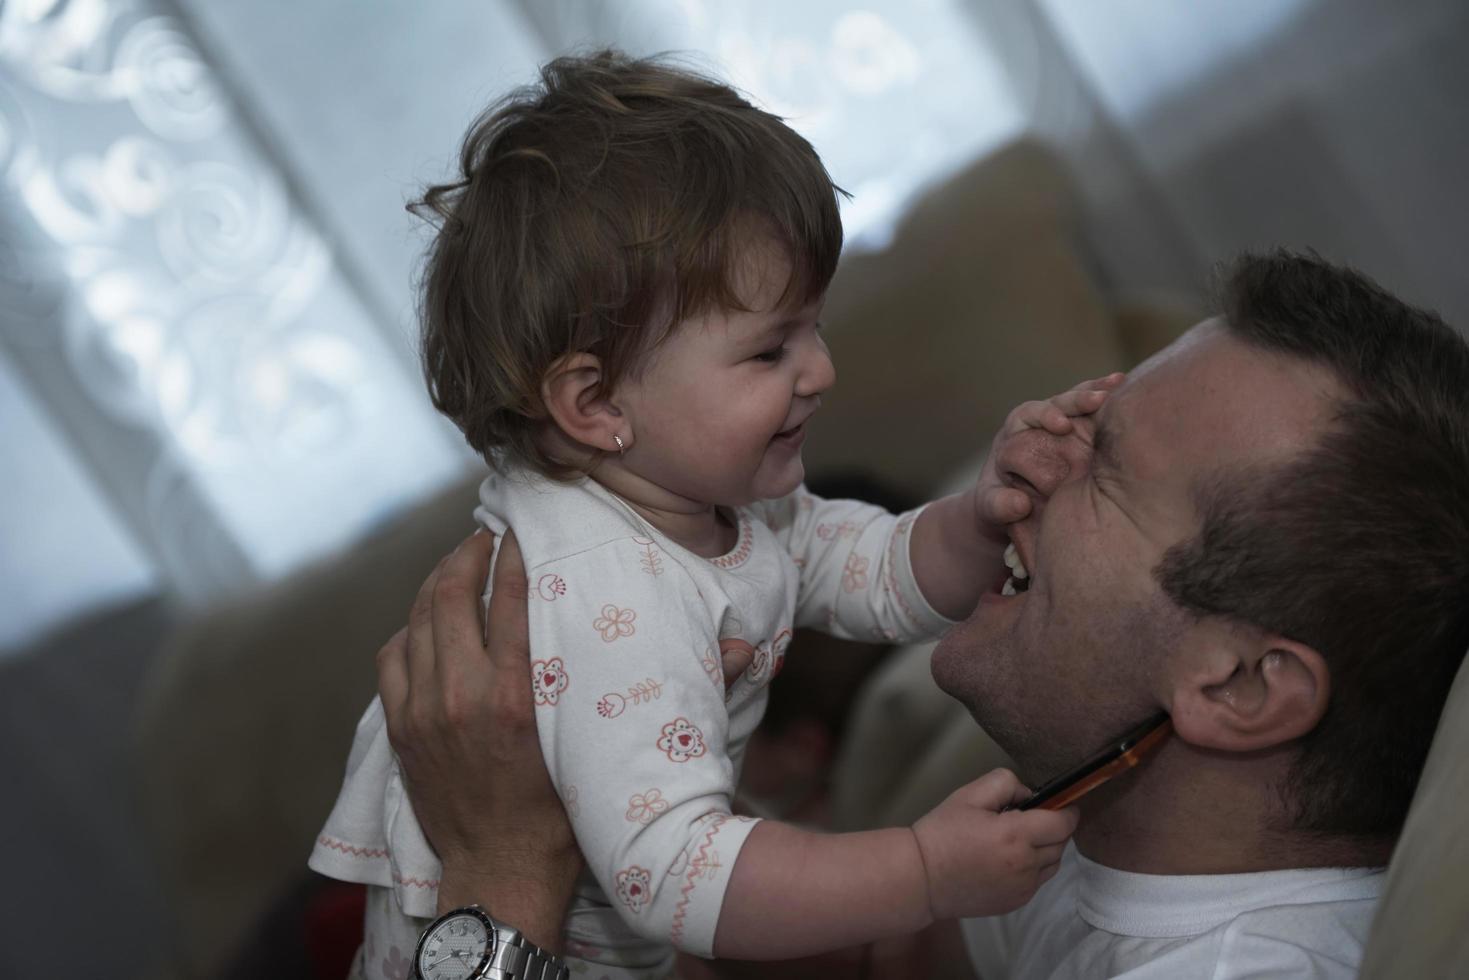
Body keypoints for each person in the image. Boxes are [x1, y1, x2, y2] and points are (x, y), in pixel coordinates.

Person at [376, 250, 1469, 978]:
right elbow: (881, 954)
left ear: (1236, 685)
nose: (1031, 450)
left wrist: (502, 868)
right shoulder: (1110, 837)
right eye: (1081, 413)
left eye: (1104, 463)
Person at [310, 50, 1107, 979]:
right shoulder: (605, 590)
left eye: (812, 326)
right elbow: (678, 871)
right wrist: (922, 868)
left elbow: (871, 571)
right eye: (770, 350)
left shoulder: (701, 502)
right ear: (598, 406)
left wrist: (978, 519)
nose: (820, 370)